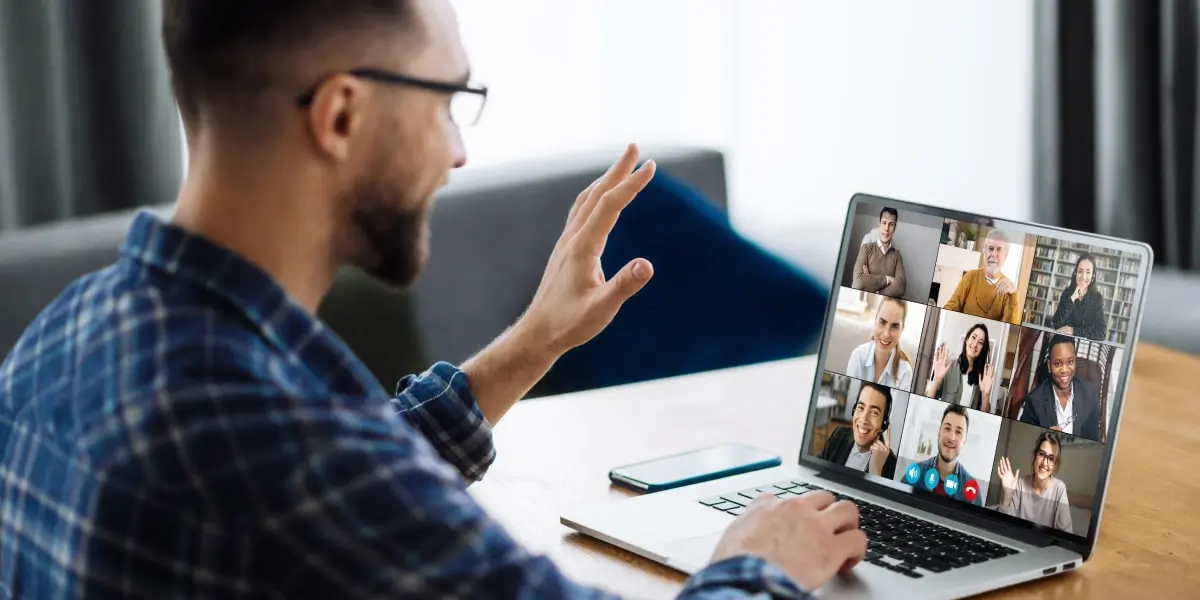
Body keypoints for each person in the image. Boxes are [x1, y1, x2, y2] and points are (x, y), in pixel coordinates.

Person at [0, 1, 868, 598]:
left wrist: (533, 342)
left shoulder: (63, 336)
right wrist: (763, 563)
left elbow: (341, 478)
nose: (455, 153)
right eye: (448, 100)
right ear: (340, 116)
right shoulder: (293, 459)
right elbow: (332, 475)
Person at [1018, 334, 1103, 442]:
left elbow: (1094, 442)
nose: (1065, 370)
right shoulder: (1034, 401)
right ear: (1049, 366)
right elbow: (1023, 440)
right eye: (1058, 364)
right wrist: (1044, 437)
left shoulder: (1090, 395)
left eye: (1070, 362)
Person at [995, 431, 1074, 533]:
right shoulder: (1020, 484)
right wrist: (1007, 495)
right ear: (1035, 456)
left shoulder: (1059, 489)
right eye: (1041, 454)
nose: (1045, 463)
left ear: (1055, 464)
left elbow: (1066, 534)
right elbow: (1003, 527)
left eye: (1051, 458)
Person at [818, 383, 898, 479]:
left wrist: (876, 471)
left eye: (874, 413)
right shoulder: (840, 434)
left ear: (883, 424)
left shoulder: (892, 463)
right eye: (861, 407)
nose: (864, 419)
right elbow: (816, 470)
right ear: (854, 411)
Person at [943, 229, 1021, 325]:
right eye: (990, 248)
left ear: (1006, 255)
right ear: (984, 251)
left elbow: (1010, 327)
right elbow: (952, 306)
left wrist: (1013, 293)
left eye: (999, 249)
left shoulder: (1009, 291)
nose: (993, 254)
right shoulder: (970, 276)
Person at [911, 404, 983, 506]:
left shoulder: (972, 489)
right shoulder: (915, 472)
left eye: (958, 432)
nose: (951, 437)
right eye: (947, 428)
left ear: (964, 441)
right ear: (939, 432)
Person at [845, 297, 914, 390]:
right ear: (875, 320)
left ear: (902, 329)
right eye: (882, 322)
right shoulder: (858, 356)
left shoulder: (905, 372)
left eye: (894, 326)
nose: (886, 334)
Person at [925, 323, 997, 412]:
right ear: (966, 339)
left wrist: (985, 394)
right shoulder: (948, 367)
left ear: (983, 348)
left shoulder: (982, 378)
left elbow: (983, 414)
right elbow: (928, 402)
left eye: (980, 342)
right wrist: (936, 379)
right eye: (973, 337)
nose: (975, 344)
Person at [852, 207, 908, 297]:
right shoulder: (866, 248)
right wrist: (888, 280)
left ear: (895, 228)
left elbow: (901, 287)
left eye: (891, 224)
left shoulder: (897, 255)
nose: (886, 228)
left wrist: (872, 285)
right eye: (884, 223)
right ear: (879, 224)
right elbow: (858, 282)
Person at [1051, 254, 1108, 341]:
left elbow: (1102, 333)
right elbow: (1057, 323)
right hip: (1063, 342)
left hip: (1084, 347)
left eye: (1088, 272)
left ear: (1093, 276)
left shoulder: (1097, 298)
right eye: (1080, 271)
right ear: (1075, 273)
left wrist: (1074, 331)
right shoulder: (1067, 293)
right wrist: (1073, 298)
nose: (1083, 277)